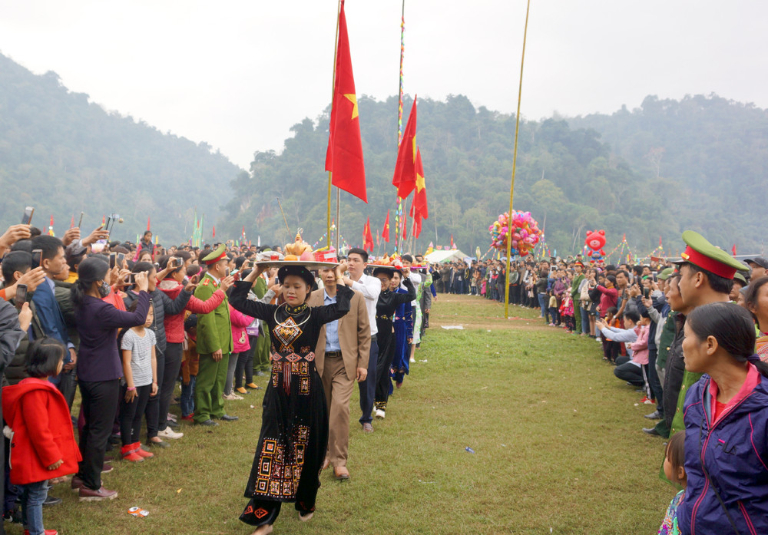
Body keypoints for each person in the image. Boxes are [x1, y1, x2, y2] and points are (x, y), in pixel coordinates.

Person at [230, 262, 352, 532]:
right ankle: (264, 517)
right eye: (286, 286)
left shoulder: (316, 314)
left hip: (308, 392)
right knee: (270, 448)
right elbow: (236, 298)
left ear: (309, 289)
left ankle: (305, 500)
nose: (291, 291)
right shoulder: (271, 312)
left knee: (309, 447)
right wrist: (257, 271)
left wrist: (340, 275)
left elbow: (343, 306)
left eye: (297, 286)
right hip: (278, 392)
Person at [676, 302, 768, 534]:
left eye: (685, 337)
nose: (680, 347)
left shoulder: (763, 411)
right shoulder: (697, 395)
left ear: (710, 344)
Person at [70, 257, 150, 501]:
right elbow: (138, 319)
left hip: (88, 371)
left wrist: (113, 287)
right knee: (99, 432)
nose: (108, 280)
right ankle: (91, 485)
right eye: (106, 276)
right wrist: (144, 290)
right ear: (96, 282)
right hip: (103, 374)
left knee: (90, 429)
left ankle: (82, 476)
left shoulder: (83, 302)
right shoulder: (100, 308)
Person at [3, 337, 81, 535]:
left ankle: (30, 528)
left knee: (31, 493)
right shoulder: (35, 392)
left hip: (34, 453)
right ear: (48, 363)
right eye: (60, 360)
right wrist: (52, 457)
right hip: (36, 455)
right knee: (37, 494)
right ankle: (36, 531)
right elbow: (39, 429)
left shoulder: (35, 387)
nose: (62, 363)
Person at [308, 265, 370, 481]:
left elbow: (364, 332)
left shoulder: (356, 298)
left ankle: (340, 461)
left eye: (334, 269)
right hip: (319, 362)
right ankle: (324, 455)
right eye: (325, 269)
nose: (329, 274)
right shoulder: (312, 298)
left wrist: (362, 363)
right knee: (322, 410)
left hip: (345, 363)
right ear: (319, 273)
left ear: (340, 272)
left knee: (340, 409)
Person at [193, 245, 237, 426]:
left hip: (223, 341)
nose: (228, 267)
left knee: (218, 379)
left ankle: (216, 409)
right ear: (217, 267)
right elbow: (206, 319)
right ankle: (202, 414)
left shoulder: (216, 285)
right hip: (214, 343)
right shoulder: (205, 287)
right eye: (225, 263)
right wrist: (214, 346)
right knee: (206, 380)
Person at [337, 248, 380, 433]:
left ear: (365, 264)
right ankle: (336, 416)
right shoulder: (338, 281)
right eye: (349, 259)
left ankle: (366, 418)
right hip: (344, 339)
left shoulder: (373, 281)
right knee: (339, 378)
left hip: (368, 338)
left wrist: (348, 281)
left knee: (367, 380)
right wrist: (341, 280)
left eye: (355, 260)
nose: (351, 263)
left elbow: (371, 294)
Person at [372, 266, 416, 417]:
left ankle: (381, 406)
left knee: (383, 370)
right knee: (372, 370)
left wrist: (406, 277)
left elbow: (412, 295)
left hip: (388, 337)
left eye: (384, 279)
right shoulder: (368, 295)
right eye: (377, 279)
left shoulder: (394, 297)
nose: (381, 282)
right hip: (371, 336)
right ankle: (372, 399)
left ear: (391, 281)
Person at [117, 301, 158, 462]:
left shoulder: (150, 334)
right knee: (128, 415)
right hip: (133, 384)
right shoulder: (128, 335)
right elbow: (126, 362)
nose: (149, 318)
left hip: (147, 381)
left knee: (139, 414)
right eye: (145, 314)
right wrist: (130, 385)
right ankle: (126, 448)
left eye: (151, 314)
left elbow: (153, 357)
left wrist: (154, 380)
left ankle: (135, 445)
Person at [657, 431, 686, 535]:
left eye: (666, 457)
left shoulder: (686, 510)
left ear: (680, 472)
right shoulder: (680, 496)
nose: (664, 461)